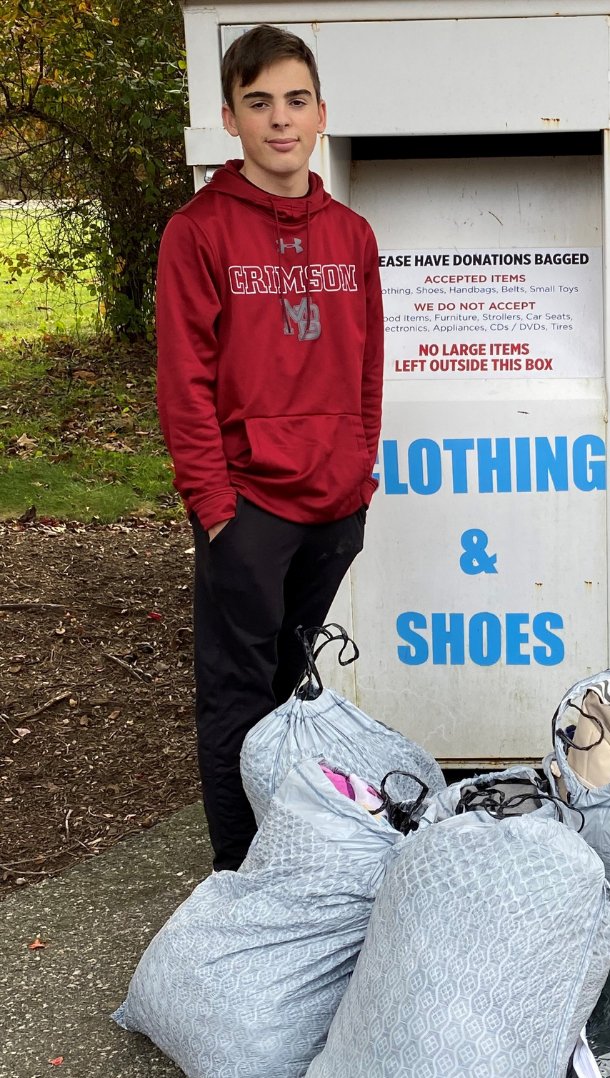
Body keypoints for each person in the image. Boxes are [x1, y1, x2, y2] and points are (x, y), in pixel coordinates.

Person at [156, 25, 384, 871]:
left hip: (333, 506)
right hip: (246, 512)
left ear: (321, 115)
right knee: (236, 702)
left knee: (295, 694)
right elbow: (184, 384)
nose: (279, 121)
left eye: (295, 102)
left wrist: (358, 477)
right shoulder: (200, 232)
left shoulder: (351, 235)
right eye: (259, 104)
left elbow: (367, 368)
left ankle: (294, 858)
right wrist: (216, 512)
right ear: (230, 117)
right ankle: (243, 880)